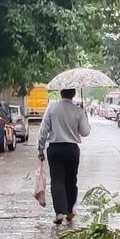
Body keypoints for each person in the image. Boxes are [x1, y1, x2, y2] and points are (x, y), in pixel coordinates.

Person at [38, 84, 91, 228]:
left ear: (61, 93)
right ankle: (69, 211)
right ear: (73, 94)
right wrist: (84, 114)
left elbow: (43, 130)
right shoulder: (79, 111)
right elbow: (85, 132)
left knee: (57, 180)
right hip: (72, 149)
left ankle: (59, 212)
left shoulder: (52, 108)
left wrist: (40, 149)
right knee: (71, 180)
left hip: (55, 149)